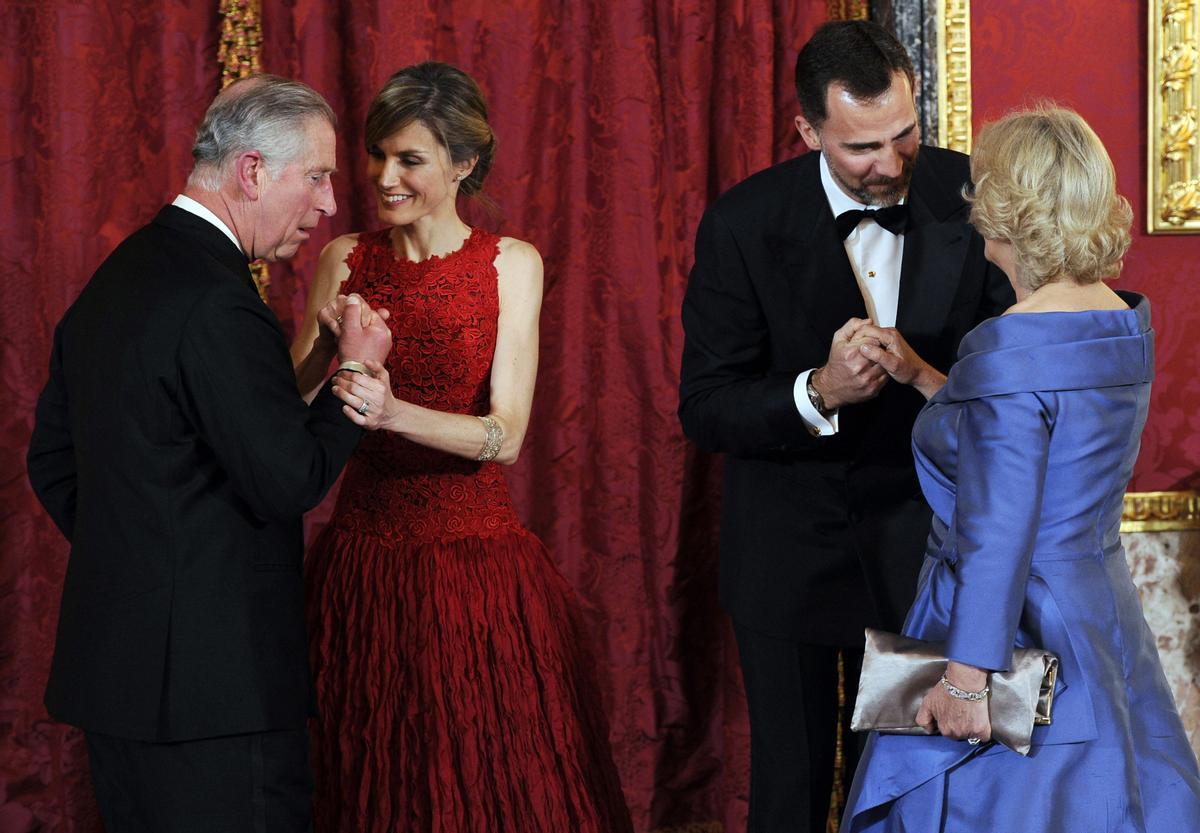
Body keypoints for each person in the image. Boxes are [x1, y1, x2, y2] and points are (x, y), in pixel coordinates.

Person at [25, 76, 393, 832]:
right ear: (253, 171)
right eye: (317, 176)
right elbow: (289, 476)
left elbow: (53, 461)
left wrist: (148, 559)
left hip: (118, 685)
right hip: (216, 695)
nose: (329, 204)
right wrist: (354, 369)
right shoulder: (221, 300)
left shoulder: (117, 278)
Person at [677, 20, 1013, 833]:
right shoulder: (742, 222)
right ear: (807, 130)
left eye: (904, 134)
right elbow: (706, 405)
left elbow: (1011, 376)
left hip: (922, 557)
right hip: (787, 558)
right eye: (862, 147)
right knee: (788, 791)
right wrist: (817, 391)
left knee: (906, 795)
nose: (892, 164)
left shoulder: (973, 198)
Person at [290, 61, 633, 833]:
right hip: (362, 564)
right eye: (378, 155)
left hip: (473, 573)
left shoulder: (512, 264)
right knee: (364, 776)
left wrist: (388, 408)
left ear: (464, 163)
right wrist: (328, 349)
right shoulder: (344, 257)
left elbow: (505, 435)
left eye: (409, 159)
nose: (384, 176)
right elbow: (292, 402)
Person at [842, 106, 1200, 832]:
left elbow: (999, 526)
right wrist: (922, 377)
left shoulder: (1009, 345)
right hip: (1098, 611)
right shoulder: (1120, 319)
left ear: (1004, 212)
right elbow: (1037, 442)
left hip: (1012, 626)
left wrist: (967, 681)